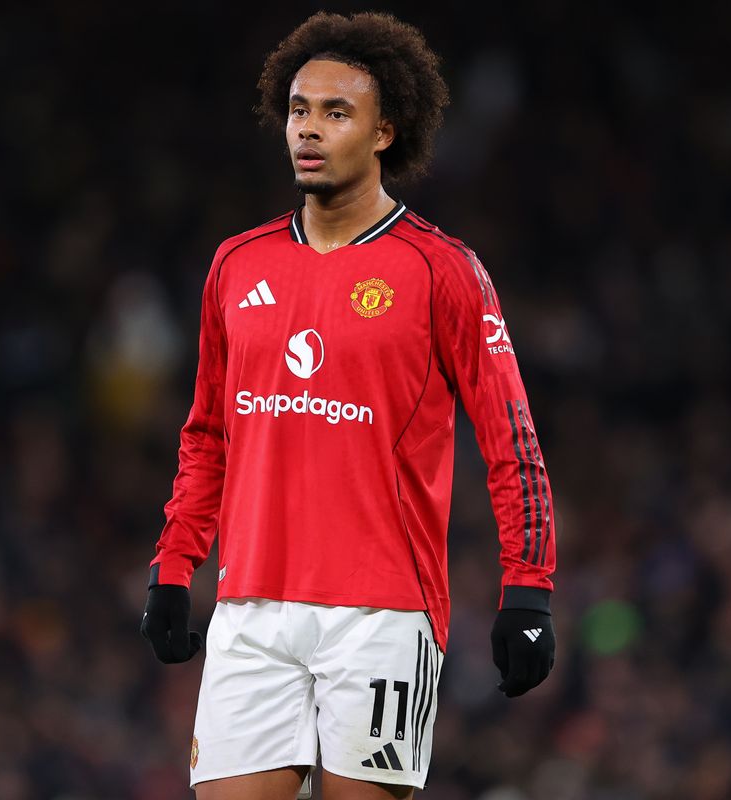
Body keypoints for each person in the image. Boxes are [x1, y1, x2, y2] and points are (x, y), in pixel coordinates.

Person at [140, 12, 557, 800]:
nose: (309, 128)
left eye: (336, 113)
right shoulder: (236, 265)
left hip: (383, 614)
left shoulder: (442, 271)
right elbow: (207, 437)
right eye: (299, 109)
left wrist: (527, 588)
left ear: (384, 132)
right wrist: (172, 568)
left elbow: (513, 442)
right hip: (251, 608)